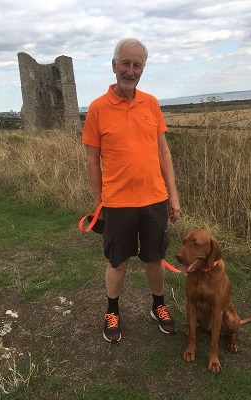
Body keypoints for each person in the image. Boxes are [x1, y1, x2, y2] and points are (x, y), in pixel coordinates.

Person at [82, 38, 180, 342]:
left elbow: (163, 152)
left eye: (137, 65)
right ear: (114, 66)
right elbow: (91, 159)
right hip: (118, 203)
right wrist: (100, 201)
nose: (130, 70)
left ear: (143, 69)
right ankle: (112, 311)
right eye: (125, 63)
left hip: (154, 199)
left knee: (154, 258)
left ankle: (158, 306)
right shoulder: (97, 108)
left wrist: (173, 196)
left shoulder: (151, 103)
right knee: (118, 261)